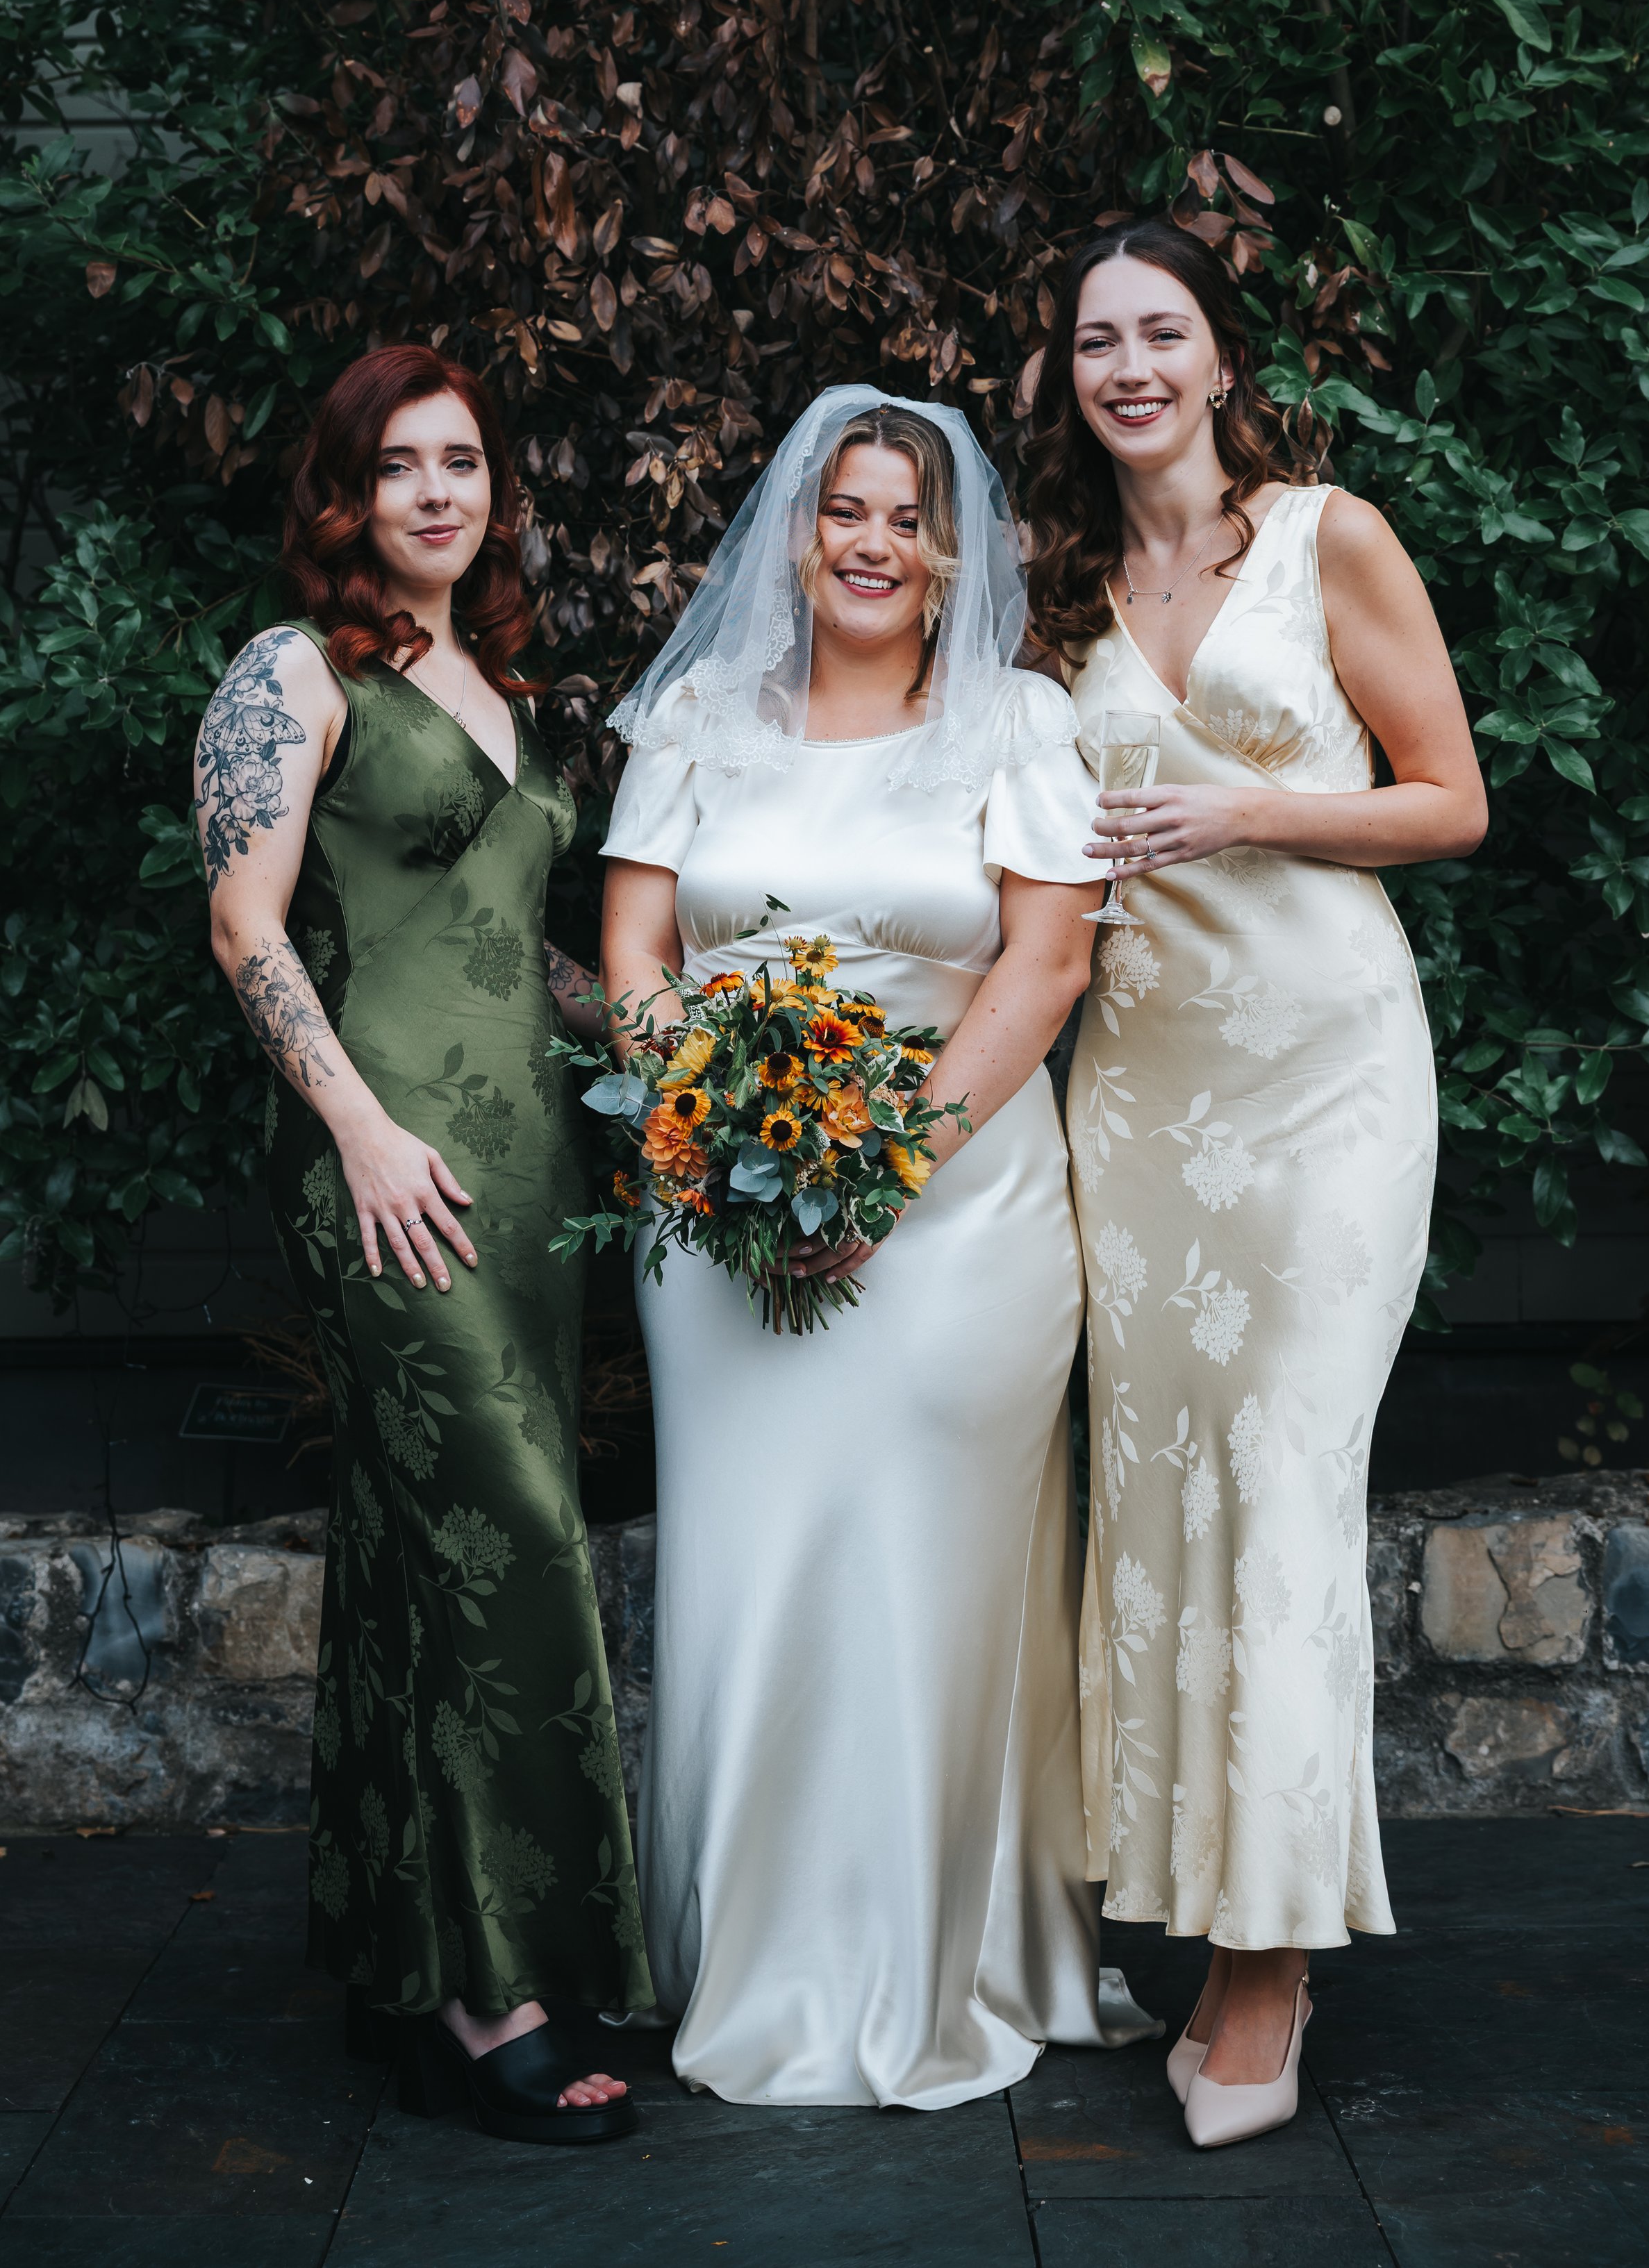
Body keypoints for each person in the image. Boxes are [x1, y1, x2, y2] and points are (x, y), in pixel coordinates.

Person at [597, 387, 1157, 2107]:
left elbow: (1044, 966)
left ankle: (938, 1958)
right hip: (715, 1215)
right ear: (794, 531)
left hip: (954, 1219)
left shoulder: (1014, 722)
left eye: (909, 520)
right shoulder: (698, 714)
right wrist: (700, 1130)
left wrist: (874, 1166)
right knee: (751, 1576)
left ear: (952, 555)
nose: (873, 542)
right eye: (845, 509)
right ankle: (750, 1960)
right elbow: (632, 946)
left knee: (924, 1581)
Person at [1024, 222, 1486, 2149]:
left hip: (1321, 1082)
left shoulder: (1324, 535)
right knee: (1159, 1511)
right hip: (1133, 1099)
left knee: (1283, 1492)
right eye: (1091, 341)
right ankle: (1193, 1924)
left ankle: (1268, 1971)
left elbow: (1449, 795)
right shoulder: (1050, 600)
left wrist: (1243, 805)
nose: (1127, 364)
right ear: (1064, 379)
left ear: (1219, 360)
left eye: (1161, 332)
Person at [195, 343, 652, 2144]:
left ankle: (417, 1961)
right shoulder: (291, 670)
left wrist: (678, 1052)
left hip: (533, 1177)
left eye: (464, 461)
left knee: (422, 1553)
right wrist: (361, 1127)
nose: (441, 492)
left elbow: (507, 940)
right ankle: (494, 1991)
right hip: (389, 1165)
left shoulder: (497, 683)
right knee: (506, 1534)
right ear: (347, 492)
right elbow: (244, 921)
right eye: (404, 465)